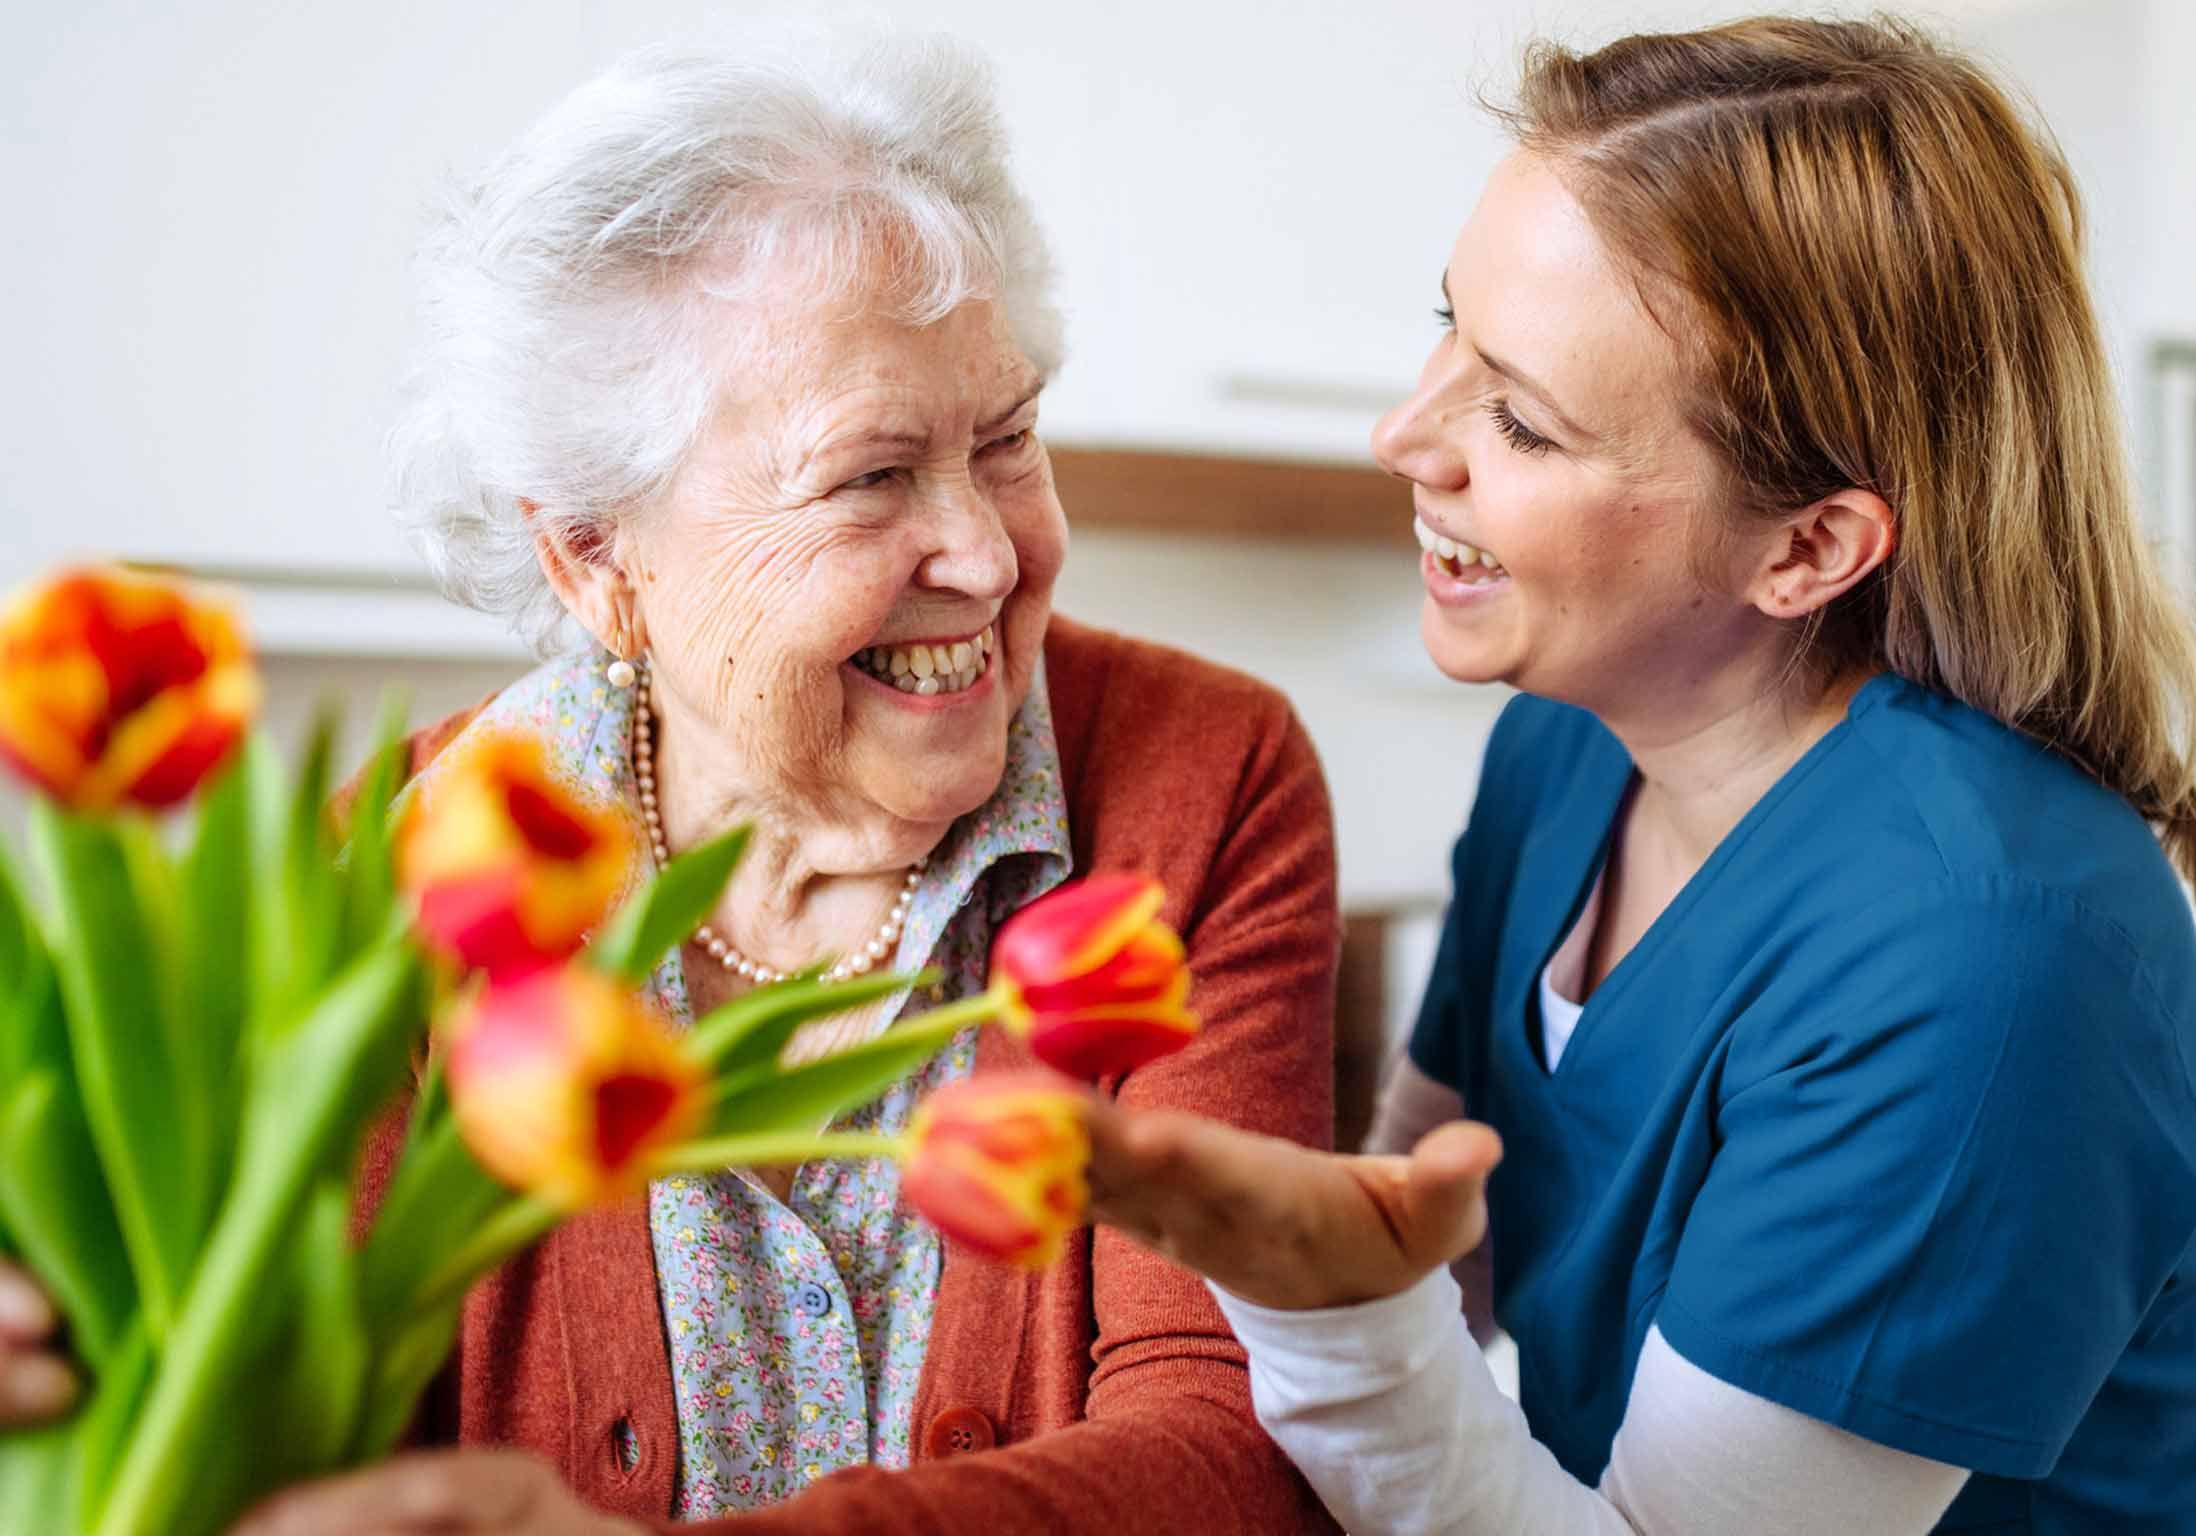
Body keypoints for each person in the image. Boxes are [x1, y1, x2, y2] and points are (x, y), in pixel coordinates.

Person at [0, 32, 1342, 1536]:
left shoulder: (1199, 778)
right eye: (871, 476)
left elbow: (1241, 1450)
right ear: (594, 557)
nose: (985, 552)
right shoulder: (389, 882)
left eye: (1007, 440)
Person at [1084, 15, 2196, 1534]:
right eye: (1447, 327)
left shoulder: (1984, 960)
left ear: (1807, 549)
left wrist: (1329, 1315)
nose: (1405, 434)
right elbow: (1425, 1239)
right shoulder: (1569, 741)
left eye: (1522, 420)